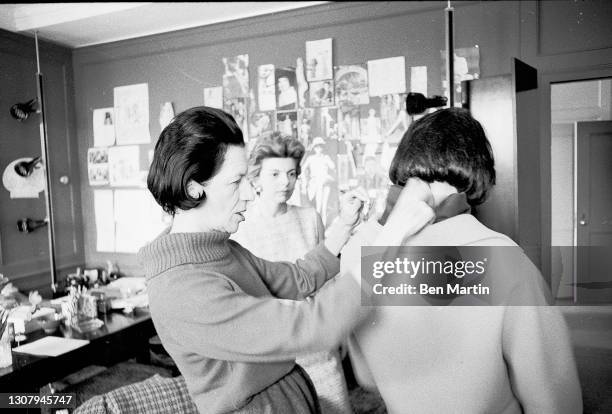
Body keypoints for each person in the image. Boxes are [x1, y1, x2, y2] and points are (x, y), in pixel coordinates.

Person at [138, 106, 437, 414]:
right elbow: (309, 325)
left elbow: (297, 279)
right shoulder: (182, 287)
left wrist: (344, 229)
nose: (250, 194)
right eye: (236, 181)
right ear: (193, 187)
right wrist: (392, 237)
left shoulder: (216, 248)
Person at [342, 107, 583, 414]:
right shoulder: (504, 262)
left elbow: (366, 375)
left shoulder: (356, 250)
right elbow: (555, 401)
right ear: (476, 170)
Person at [232, 132, 352, 414]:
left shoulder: (310, 218)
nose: (285, 182)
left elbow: (328, 283)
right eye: (274, 174)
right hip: (273, 352)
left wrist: (340, 333)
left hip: (318, 344)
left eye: (291, 174)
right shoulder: (241, 226)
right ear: (256, 177)